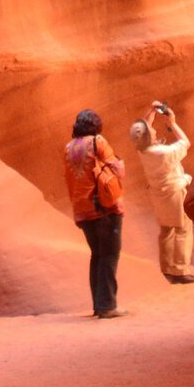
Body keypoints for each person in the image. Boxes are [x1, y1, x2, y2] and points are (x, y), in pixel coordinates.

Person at [129, 101, 194, 284]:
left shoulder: (142, 151)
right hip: (174, 193)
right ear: (148, 136)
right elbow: (186, 143)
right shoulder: (162, 153)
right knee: (182, 229)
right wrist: (172, 123)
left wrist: (151, 112)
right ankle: (180, 270)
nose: (153, 131)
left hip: (159, 196)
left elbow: (144, 129)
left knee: (166, 231)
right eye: (151, 131)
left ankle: (167, 269)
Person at [63, 109, 126, 317]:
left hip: (82, 209)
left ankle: (99, 305)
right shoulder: (97, 141)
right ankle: (107, 306)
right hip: (104, 207)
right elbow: (117, 170)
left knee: (97, 256)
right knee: (110, 255)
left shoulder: (69, 147)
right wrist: (120, 163)